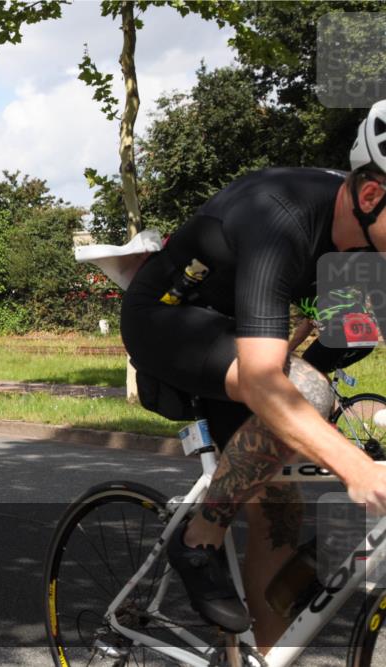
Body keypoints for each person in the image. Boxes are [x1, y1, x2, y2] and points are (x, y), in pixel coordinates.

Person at [120, 100, 386, 651]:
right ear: (369, 195)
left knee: (282, 511)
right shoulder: (280, 215)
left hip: (242, 335)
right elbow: (270, 382)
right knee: (306, 394)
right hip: (166, 319)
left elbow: (333, 344)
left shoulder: (367, 246)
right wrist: (358, 469)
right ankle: (200, 536)